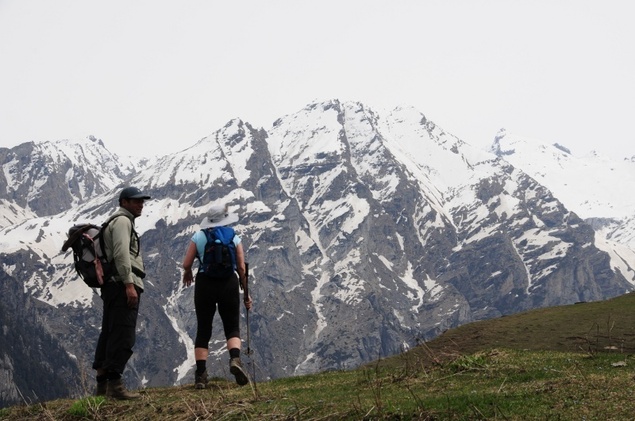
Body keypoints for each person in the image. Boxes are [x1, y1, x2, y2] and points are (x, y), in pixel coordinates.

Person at [182, 203, 252, 389]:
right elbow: (242, 267)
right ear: (225, 218)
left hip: (205, 283)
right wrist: (246, 293)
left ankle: (201, 376)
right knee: (231, 326)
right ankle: (235, 360)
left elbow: (186, 262)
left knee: (204, 328)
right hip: (228, 283)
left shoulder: (199, 236)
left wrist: (188, 272)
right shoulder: (233, 237)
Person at [93, 186, 151, 400]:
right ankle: (115, 386)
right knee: (124, 333)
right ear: (124, 202)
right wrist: (129, 284)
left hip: (112, 285)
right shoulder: (123, 221)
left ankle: (101, 387)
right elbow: (121, 253)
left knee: (109, 332)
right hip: (122, 284)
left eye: (142, 201)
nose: (141, 204)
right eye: (136, 201)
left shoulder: (116, 221)